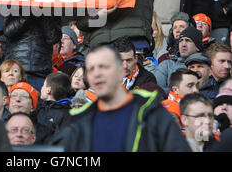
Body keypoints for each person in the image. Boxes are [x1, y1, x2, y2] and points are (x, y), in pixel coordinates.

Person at [51, 45, 191, 151]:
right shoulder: (80, 117)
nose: (98, 74)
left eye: (104, 67)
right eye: (91, 69)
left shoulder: (149, 109)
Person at [153, 26, 203, 94]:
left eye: (188, 40)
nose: (183, 44)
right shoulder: (167, 65)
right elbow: (156, 90)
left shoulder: (205, 67)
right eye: (181, 40)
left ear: (198, 47)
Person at [36, 72, 71, 144]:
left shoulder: (65, 114)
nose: (41, 88)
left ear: (48, 90)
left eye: (43, 85)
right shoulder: (40, 108)